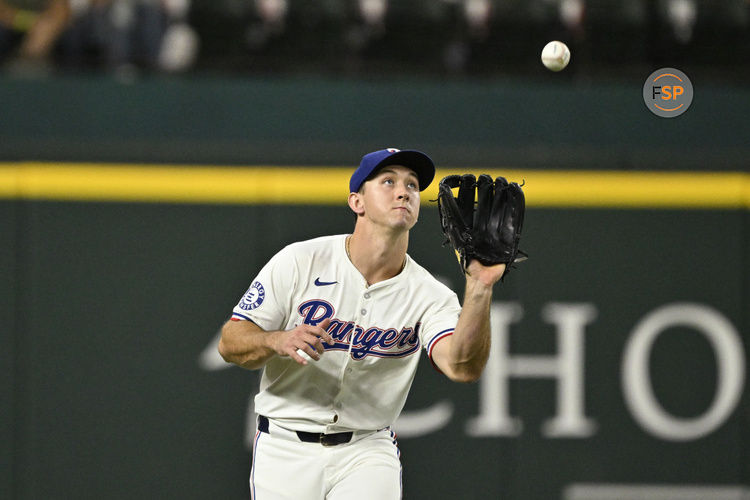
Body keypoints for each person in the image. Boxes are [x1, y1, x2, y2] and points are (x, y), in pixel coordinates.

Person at [218, 148, 508, 500]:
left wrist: (479, 288)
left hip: (367, 449)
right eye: (388, 181)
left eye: (413, 185)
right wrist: (276, 340)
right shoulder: (301, 261)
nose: (404, 192)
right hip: (284, 445)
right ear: (357, 202)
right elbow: (231, 342)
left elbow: (462, 367)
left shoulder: (429, 293)